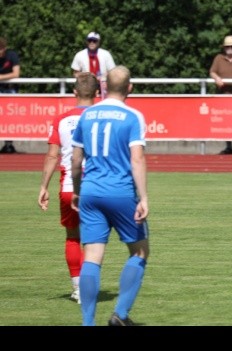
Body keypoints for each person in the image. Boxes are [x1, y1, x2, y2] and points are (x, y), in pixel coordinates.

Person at [71, 65, 149, 326]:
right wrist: (144, 197)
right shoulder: (132, 116)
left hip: (91, 191)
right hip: (120, 191)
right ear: (130, 88)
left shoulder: (88, 114)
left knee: (92, 256)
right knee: (139, 252)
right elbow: (136, 159)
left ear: (104, 87)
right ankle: (120, 315)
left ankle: (87, 323)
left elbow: (76, 159)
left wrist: (78, 191)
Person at [37, 72, 99, 304]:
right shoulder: (102, 118)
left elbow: (52, 155)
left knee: (72, 237)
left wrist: (44, 186)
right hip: (97, 187)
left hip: (68, 187)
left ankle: (78, 289)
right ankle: (90, 286)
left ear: (74, 92)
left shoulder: (61, 120)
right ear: (97, 93)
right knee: (94, 240)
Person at [71, 32, 116, 99]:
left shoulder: (106, 54)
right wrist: (87, 76)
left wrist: (102, 77)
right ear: (87, 42)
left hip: (103, 87)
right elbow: (75, 73)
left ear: (98, 42)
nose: (92, 43)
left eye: (94, 41)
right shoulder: (80, 55)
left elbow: (113, 71)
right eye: (90, 40)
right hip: (86, 86)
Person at [0, 36, 21, 153]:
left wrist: (1, 78)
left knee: (10, 118)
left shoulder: (12, 55)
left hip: (10, 90)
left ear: (4, 48)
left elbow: (16, 73)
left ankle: (8, 144)